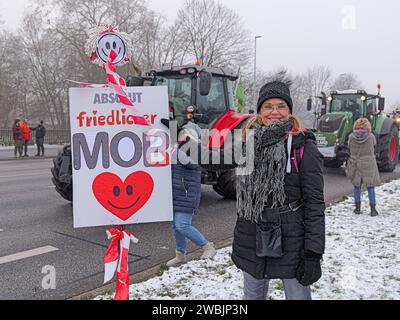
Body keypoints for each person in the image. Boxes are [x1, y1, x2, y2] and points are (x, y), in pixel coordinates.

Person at [232, 81, 326, 300]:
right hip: (252, 235)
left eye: (281, 106)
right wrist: (180, 139)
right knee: (252, 297)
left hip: (292, 241)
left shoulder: (304, 147)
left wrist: (313, 252)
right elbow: (214, 159)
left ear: (289, 111)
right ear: (259, 111)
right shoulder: (247, 143)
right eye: (268, 106)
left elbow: (314, 204)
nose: (274, 112)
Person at [161, 118, 217, 268]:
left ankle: (207, 246)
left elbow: (186, 160)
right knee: (176, 225)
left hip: (187, 191)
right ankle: (180, 254)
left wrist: (178, 143)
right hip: (177, 191)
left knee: (182, 225)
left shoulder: (194, 149)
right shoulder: (180, 145)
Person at [346, 118, 380, 217]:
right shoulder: (371, 137)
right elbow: (374, 147)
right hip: (368, 163)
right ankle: (373, 210)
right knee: (370, 186)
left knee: (357, 186)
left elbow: (349, 148)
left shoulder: (351, 137)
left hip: (355, 163)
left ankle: (357, 208)